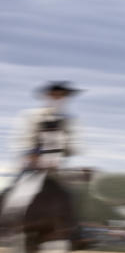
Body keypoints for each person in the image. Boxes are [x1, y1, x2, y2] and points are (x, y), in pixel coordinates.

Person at [1, 81, 81, 219]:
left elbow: (74, 144)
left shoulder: (70, 120)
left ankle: (74, 232)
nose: (58, 98)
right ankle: (7, 221)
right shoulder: (31, 115)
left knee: (70, 194)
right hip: (32, 161)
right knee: (17, 190)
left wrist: (65, 152)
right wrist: (31, 155)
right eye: (55, 95)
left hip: (56, 164)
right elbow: (23, 138)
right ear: (48, 96)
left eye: (62, 96)